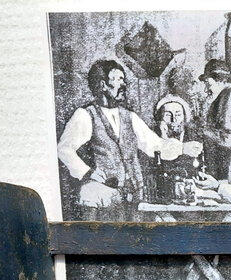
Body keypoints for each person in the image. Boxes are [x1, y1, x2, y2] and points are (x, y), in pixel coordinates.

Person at [57, 60, 201, 220]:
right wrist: (87, 173)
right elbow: (63, 149)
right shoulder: (85, 115)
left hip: (134, 196)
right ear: (103, 85)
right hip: (102, 197)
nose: (124, 84)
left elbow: (154, 145)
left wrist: (182, 148)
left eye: (123, 79)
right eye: (118, 79)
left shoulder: (129, 116)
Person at [153, 94, 206, 200]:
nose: (174, 119)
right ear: (160, 118)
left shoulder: (196, 138)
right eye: (168, 115)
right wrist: (163, 137)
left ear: (185, 117)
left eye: (178, 114)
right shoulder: (153, 139)